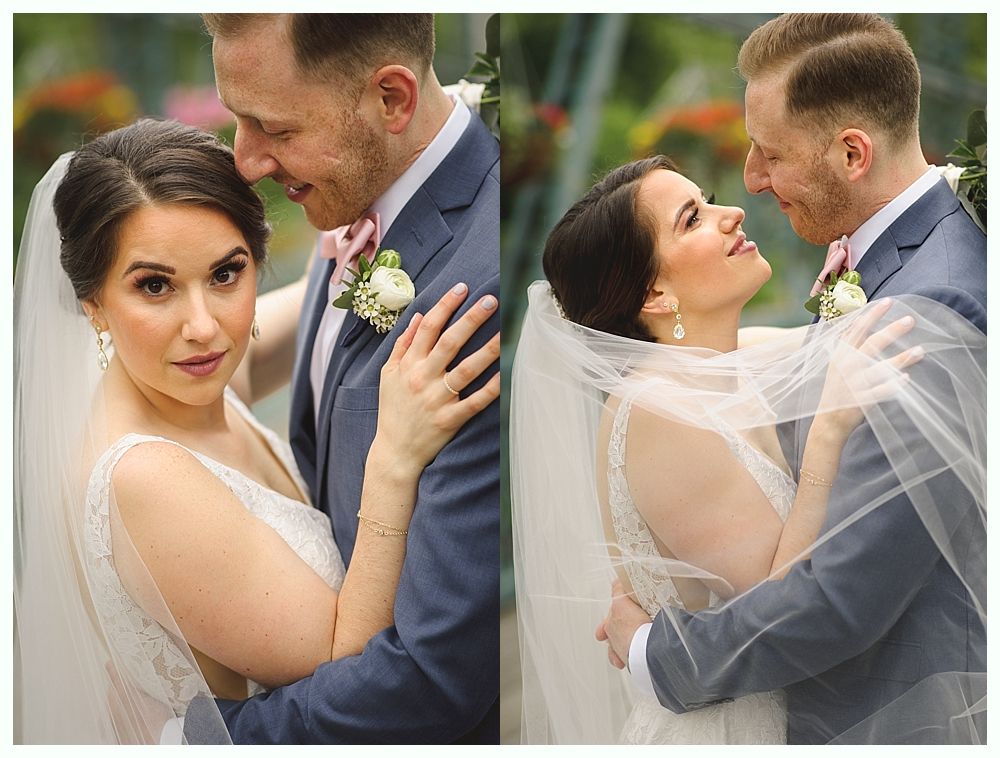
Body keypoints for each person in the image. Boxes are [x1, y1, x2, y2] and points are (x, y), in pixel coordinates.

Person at [13, 118, 499, 744]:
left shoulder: (185, 387)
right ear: (94, 305)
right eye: (154, 286)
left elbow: (309, 304)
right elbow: (342, 658)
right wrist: (394, 460)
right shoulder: (145, 477)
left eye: (225, 274)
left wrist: (367, 228)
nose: (205, 327)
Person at [594, 14, 986, 744]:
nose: (749, 179)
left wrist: (655, 655)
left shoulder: (929, 307)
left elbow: (842, 597)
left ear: (851, 153)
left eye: (769, 153)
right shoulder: (909, 257)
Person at [511, 148, 984, 743]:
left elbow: (869, 328)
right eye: (692, 218)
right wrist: (826, 439)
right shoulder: (660, 409)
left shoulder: (741, 356)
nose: (730, 212)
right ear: (655, 294)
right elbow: (777, 611)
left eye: (706, 200)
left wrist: (942, 190)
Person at [194, 14, 500, 743]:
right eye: (237, 119)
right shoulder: (360, 188)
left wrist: (201, 737)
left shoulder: (476, 293)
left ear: (392, 100)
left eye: (274, 128)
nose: (245, 160)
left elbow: (434, 676)